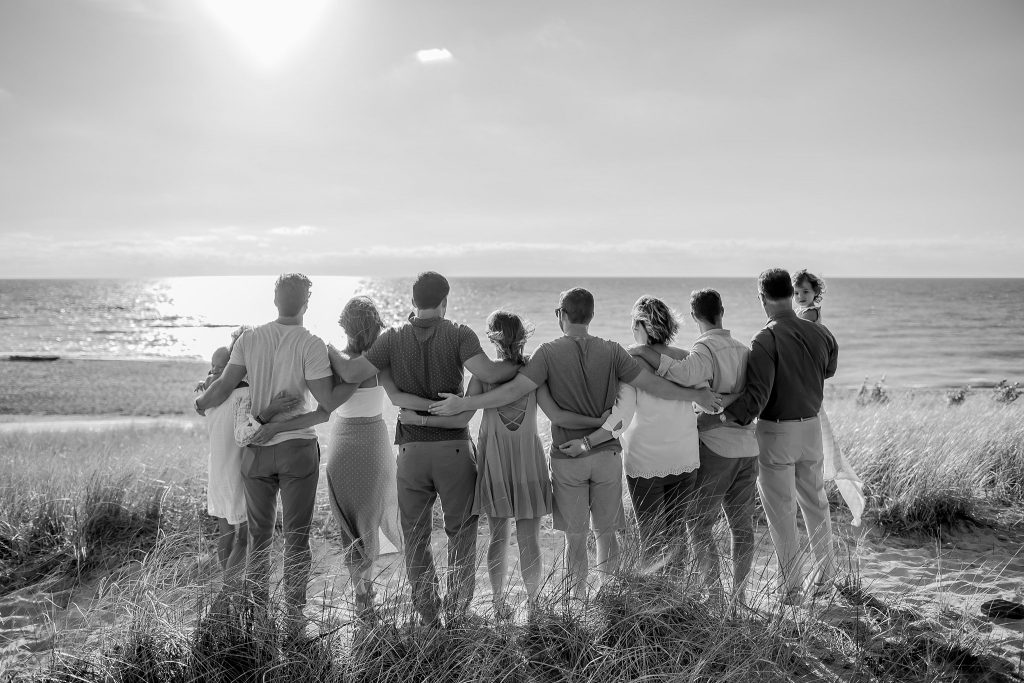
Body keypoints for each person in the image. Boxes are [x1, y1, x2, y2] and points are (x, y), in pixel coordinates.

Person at [429, 288, 721, 601]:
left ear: (561, 316)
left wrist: (465, 404)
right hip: (608, 454)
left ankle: (578, 602)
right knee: (606, 534)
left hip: (568, 458)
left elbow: (515, 392)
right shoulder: (613, 350)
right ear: (592, 315)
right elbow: (652, 385)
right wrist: (695, 395)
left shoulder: (548, 353)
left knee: (575, 538)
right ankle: (608, 598)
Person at [331, 272, 518, 626]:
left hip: (411, 451)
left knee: (416, 536)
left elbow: (353, 372)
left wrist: (322, 346)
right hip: (454, 450)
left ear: (412, 300)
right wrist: (527, 361)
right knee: (461, 533)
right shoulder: (460, 333)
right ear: (445, 300)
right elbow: (491, 373)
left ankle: (429, 614)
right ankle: (459, 611)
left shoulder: (392, 339)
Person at [195, 273, 357, 629]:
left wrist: (200, 401)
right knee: (297, 537)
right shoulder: (311, 343)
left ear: (274, 300)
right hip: (297, 449)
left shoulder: (250, 339)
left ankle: (258, 613)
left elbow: (222, 386)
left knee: (259, 537)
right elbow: (328, 401)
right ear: (306, 303)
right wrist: (357, 379)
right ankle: (295, 616)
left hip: (257, 452)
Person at [629, 289, 759, 604]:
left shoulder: (696, 353)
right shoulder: (730, 351)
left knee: (684, 527)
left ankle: (704, 596)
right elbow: (742, 394)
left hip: (696, 450)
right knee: (730, 527)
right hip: (726, 450)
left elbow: (678, 379)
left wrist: (643, 353)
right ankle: (730, 597)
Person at [723, 268, 839, 605]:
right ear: (790, 293)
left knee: (781, 512)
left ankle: (791, 589)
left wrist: (722, 413)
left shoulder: (766, 338)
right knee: (816, 503)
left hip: (777, 430)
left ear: (761, 297)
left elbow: (756, 397)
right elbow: (829, 369)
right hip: (811, 428)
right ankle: (825, 578)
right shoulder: (820, 332)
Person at [573, 296, 702, 563]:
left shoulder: (631, 361)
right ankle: (676, 602)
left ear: (643, 325)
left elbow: (622, 417)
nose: (632, 329)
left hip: (647, 461)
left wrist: (588, 442)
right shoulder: (686, 357)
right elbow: (702, 403)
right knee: (677, 539)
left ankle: (651, 601)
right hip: (686, 456)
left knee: (652, 541)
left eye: (634, 323)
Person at [792, 270, 865, 527]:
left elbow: (802, 339)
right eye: (798, 292)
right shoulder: (801, 314)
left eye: (806, 292)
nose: (801, 296)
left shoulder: (809, 314)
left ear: (816, 294)